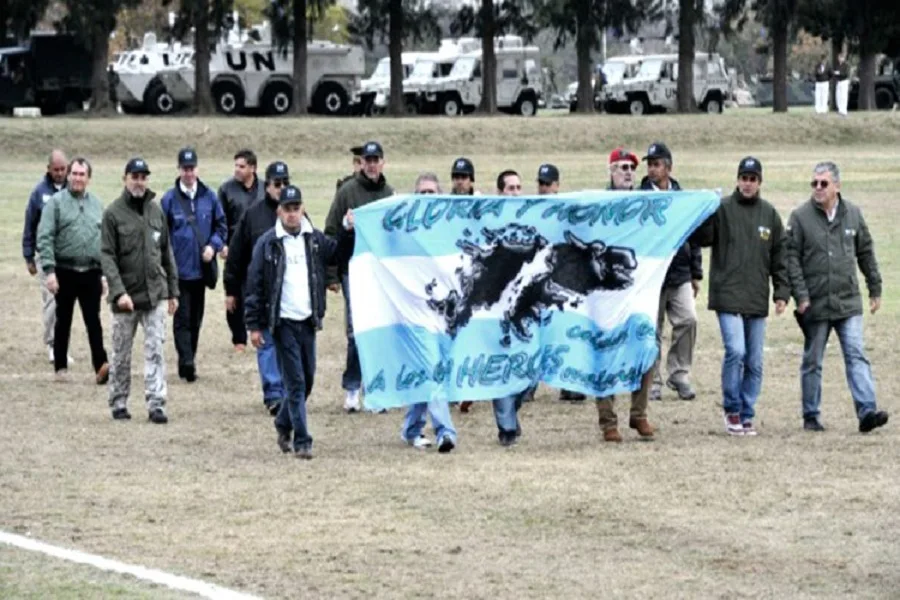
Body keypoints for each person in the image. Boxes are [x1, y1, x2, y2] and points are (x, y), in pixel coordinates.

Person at [244, 184, 354, 459]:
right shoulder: (268, 243)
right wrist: (254, 325)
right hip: (282, 323)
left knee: (308, 378)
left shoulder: (314, 239)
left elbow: (339, 255)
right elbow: (255, 285)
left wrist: (347, 229)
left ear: (302, 209)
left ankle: (283, 421)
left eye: (296, 209)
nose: (292, 215)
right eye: (287, 209)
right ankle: (302, 439)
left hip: (307, 320)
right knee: (294, 382)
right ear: (279, 211)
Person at [785, 161, 888, 434]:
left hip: (848, 301)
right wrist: (801, 296)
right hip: (815, 303)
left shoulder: (853, 214)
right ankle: (811, 414)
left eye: (823, 183)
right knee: (812, 361)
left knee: (856, 354)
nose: (818, 188)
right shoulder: (800, 217)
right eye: (814, 183)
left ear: (837, 186)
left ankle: (867, 410)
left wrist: (874, 287)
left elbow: (865, 251)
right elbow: (791, 260)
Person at [691, 157, 790, 436]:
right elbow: (701, 237)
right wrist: (706, 211)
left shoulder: (770, 215)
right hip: (728, 295)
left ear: (759, 182)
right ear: (737, 180)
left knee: (755, 361)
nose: (747, 184)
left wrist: (782, 292)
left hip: (756, 298)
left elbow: (780, 257)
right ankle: (731, 408)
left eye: (752, 179)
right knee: (736, 351)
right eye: (743, 178)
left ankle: (747, 412)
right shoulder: (722, 209)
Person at [100, 158, 179, 424]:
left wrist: (173, 292)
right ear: (125, 179)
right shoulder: (113, 213)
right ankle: (119, 401)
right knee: (121, 352)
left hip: (155, 293)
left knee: (156, 349)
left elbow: (166, 253)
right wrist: (119, 291)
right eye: (134, 176)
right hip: (126, 298)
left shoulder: (157, 212)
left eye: (143, 177)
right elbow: (107, 256)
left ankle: (156, 403)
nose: (139, 181)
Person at [324, 141, 394, 413]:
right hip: (352, 269)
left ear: (383, 162)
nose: (372, 164)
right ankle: (352, 387)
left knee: (380, 330)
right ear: (361, 163)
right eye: (368, 160)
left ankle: (376, 388)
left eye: (376, 159)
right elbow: (330, 233)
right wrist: (331, 273)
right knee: (355, 331)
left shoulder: (389, 194)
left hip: (381, 273)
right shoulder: (347, 192)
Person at [595, 148, 655, 441]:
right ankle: (608, 421)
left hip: (638, 288)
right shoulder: (599, 205)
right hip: (607, 291)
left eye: (631, 167)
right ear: (610, 172)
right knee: (605, 351)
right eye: (621, 167)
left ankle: (639, 414)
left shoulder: (645, 204)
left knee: (646, 346)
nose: (628, 172)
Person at [224, 161, 291, 416]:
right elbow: (237, 255)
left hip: (289, 292)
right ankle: (273, 394)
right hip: (261, 290)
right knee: (267, 343)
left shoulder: (296, 213)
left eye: (286, 183)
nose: (281, 188)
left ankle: (289, 388)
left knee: (289, 344)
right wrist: (231, 289)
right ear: (267, 185)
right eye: (277, 184)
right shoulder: (253, 215)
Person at [36, 157, 109, 384]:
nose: (77, 178)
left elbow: (105, 241)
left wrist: (105, 274)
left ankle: (101, 366)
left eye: (82, 174)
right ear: (68, 175)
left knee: (93, 321)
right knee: (63, 320)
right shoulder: (56, 203)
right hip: (64, 270)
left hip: (91, 271)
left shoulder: (97, 205)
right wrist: (49, 271)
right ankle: (60, 367)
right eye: (74, 174)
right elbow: (45, 236)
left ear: (88, 178)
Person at [400, 173, 457, 452]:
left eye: (431, 192)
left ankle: (412, 428)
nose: (425, 197)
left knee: (434, 372)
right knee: (432, 368)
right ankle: (445, 431)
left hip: (444, 313)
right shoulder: (404, 228)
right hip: (416, 314)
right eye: (420, 192)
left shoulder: (448, 228)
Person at [640, 142, 701, 401]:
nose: (652, 169)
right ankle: (651, 379)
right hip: (651, 275)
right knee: (652, 329)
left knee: (688, 319)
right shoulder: (639, 197)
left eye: (657, 164)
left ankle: (679, 372)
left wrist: (696, 271)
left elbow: (693, 235)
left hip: (679, 272)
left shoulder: (682, 197)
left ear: (669, 168)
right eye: (650, 164)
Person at [160, 148, 227, 383]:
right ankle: (186, 361)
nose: (188, 173)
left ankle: (190, 356)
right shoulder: (168, 200)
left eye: (192, 168)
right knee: (182, 318)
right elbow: (162, 234)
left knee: (196, 318)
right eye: (184, 169)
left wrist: (213, 246)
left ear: (197, 169)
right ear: (179, 170)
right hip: (178, 271)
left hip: (201, 271)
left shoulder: (209, 197)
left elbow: (221, 227)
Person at [490, 169, 530, 446]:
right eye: (510, 188)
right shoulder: (490, 221)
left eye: (518, 187)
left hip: (529, 305)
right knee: (503, 365)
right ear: (500, 192)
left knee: (532, 369)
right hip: (497, 306)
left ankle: (512, 412)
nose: (515, 192)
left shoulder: (533, 219)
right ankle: (506, 428)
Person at [22, 150, 70, 364]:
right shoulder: (39, 193)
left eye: (63, 169)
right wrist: (28, 256)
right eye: (56, 169)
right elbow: (30, 224)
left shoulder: (74, 189)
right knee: (51, 300)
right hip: (46, 257)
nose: (60, 173)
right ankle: (52, 345)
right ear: (48, 169)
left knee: (65, 303)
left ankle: (62, 345)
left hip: (69, 256)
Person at [218, 149, 265, 352]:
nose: (237, 170)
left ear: (253, 168)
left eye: (242, 166)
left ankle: (260, 331)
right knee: (234, 292)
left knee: (258, 291)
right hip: (235, 250)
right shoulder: (226, 190)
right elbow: (219, 220)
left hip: (259, 249)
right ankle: (238, 338)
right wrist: (222, 244)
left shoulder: (265, 189)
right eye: (235, 165)